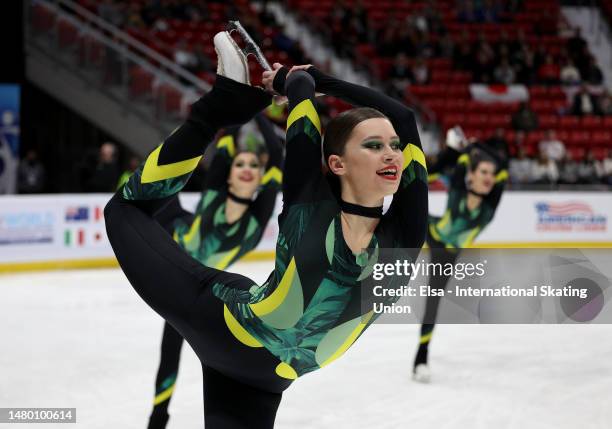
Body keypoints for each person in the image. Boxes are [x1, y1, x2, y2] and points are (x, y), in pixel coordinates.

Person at [104, 30, 428, 428]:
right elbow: (303, 94)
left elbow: (406, 119)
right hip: (220, 320)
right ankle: (215, 111)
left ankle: (228, 101)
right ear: (337, 164)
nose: (392, 153)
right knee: (125, 209)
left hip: (264, 384)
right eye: (373, 145)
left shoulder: (405, 237)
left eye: (394, 146)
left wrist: (316, 82)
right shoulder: (309, 204)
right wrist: (301, 83)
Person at [147, 114, 284, 429]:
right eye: (240, 164)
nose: (247, 169)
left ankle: (157, 419)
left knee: (171, 346)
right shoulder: (214, 189)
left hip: (189, 277)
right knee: (158, 170)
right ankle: (157, 420)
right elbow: (229, 131)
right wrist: (247, 104)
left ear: (261, 176)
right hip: (170, 228)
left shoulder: (257, 217)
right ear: (229, 174)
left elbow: (276, 154)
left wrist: (261, 113)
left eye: (253, 165)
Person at [412, 130, 507, 383]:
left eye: (491, 174)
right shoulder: (457, 186)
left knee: (433, 303)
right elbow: (463, 162)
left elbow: (504, 166)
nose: (489, 177)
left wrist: (479, 144)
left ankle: (420, 359)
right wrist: (465, 149)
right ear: (471, 175)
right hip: (430, 230)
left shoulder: (491, 204)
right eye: (483, 172)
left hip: (448, 254)